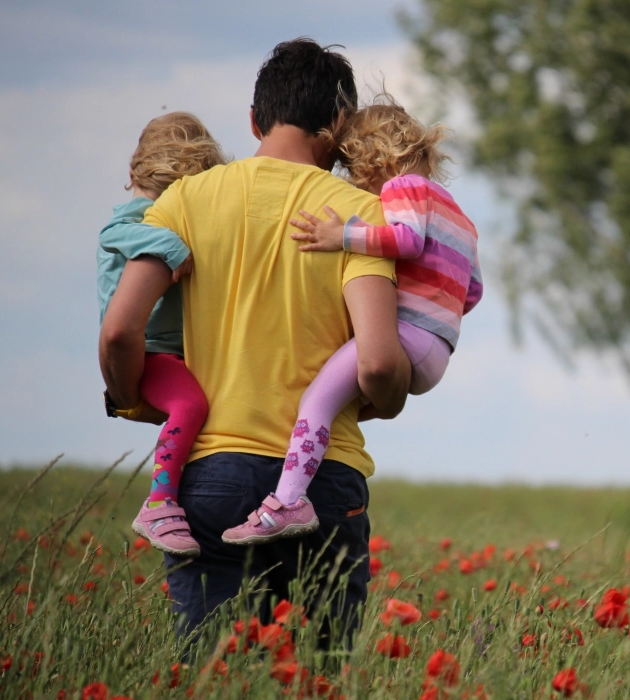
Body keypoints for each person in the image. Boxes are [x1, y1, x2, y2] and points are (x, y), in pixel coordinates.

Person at [99, 38, 411, 643]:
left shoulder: (184, 201)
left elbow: (118, 330)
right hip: (323, 482)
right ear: (339, 124)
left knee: (215, 672)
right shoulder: (359, 215)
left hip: (210, 474)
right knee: (319, 677)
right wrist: (390, 397)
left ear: (253, 120)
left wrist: (133, 397)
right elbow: (376, 362)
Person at [223, 99, 482, 544]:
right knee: (338, 404)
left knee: (316, 401)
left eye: (353, 168)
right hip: (438, 349)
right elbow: (472, 291)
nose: (355, 181)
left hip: (406, 336)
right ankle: (302, 477)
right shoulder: (460, 216)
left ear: (374, 158)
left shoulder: (403, 188)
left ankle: (288, 502)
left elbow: (405, 239)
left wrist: (340, 235)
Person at [97, 112, 226, 557]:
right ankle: (160, 502)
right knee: (190, 404)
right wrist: (172, 246)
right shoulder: (138, 218)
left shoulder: (160, 212)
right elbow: (114, 232)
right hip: (150, 352)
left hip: (172, 352)